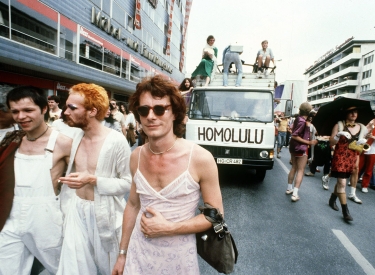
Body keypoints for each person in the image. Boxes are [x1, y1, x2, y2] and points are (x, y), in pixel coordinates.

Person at [111, 75, 223, 275]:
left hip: (178, 260)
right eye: (144, 110)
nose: (151, 116)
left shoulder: (200, 158)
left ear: (174, 113)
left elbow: (215, 217)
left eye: (160, 109)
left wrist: (168, 228)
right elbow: (133, 205)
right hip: (139, 255)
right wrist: (122, 254)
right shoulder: (136, 156)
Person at [57, 83, 132, 275]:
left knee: (112, 270)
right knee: (73, 270)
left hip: (105, 214)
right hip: (76, 210)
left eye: (72, 108)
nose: (66, 112)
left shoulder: (116, 141)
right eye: (66, 106)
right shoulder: (73, 136)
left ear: (92, 111)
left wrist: (93, 179)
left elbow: (127, 182)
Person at [0, 86, 72, 274]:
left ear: (44, 109)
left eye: (28, 110)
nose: (21, 116)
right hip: (11, 215)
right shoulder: (13, 140)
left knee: (63, 268)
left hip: (46, 217)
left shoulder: (63, 143)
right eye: (15, 111)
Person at [328, 106, 367, 221]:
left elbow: (361, 149)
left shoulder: (362, 127)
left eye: (355, 112)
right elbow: (331, 142)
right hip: (340, 157)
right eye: (351, 112)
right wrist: (338, 135)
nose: (354, 114)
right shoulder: (339, 125)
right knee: (343, 184)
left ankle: (332, 199)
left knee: (342, 182)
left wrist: (362, 143)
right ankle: (345, 212)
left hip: (352, 158)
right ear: (346, 113)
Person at [286, 102, 318, 202]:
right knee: (300, 170)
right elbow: (295, 135)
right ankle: (295, 194)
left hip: (293, 147)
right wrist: (308, 142)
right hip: (301, 148)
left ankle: (289, 188)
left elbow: (293, 131)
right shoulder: (303, 121)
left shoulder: (298, 119)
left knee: (294, 167)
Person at [358, 118, 375, 193]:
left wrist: (373, 137)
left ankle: (365, 185)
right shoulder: (371, 121)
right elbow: (362, 134)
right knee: (359, 166)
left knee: (369, 169)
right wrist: (369, 126)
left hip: (373, 150)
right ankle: (354, 179)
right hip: (365, 147)